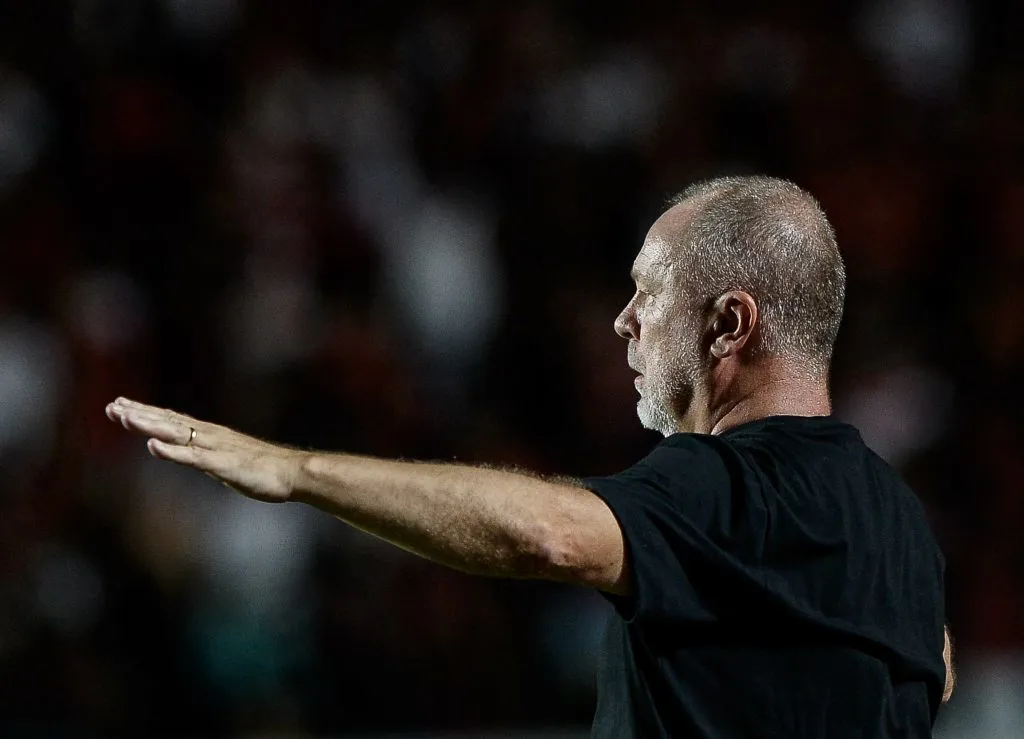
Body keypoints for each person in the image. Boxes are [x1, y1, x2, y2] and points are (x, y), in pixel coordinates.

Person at [106, 175, 953, 738]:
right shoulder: (902, 525)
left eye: (649, 292)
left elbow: (549, 534)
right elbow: (936, 670)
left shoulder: (718, 486)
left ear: (730, 323)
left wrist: (292, 472)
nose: (624, 320)